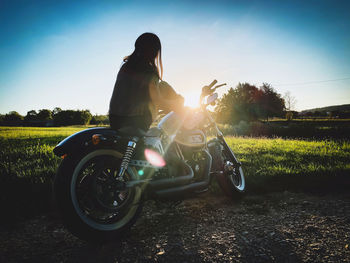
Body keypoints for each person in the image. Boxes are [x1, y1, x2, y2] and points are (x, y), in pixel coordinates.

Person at [109, 32, 184, 132]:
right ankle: (183, 120)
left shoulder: (125, 66)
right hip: (136, 122)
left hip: (115, 120)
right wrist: (177, 103)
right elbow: (157, 101)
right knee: (165, 87)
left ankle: (179, 110)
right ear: (154, 52)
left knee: (162, 86)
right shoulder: (149, 71)